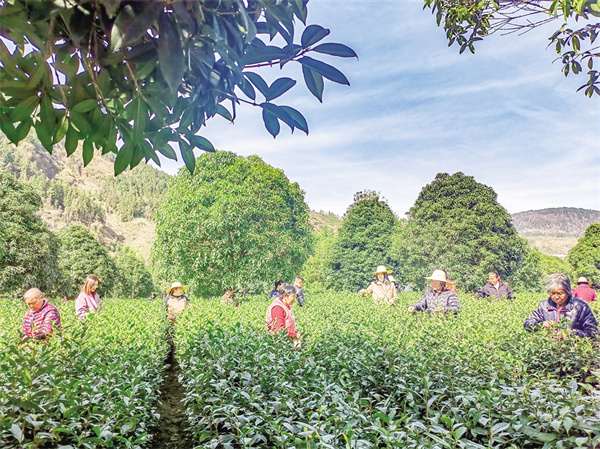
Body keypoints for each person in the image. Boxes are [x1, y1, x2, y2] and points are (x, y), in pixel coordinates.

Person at [524, 273, 597, 338]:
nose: (556, 297)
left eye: (560, 293)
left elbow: (592, 332)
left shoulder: (581, 307)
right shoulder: (544, 305)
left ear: (568, 292)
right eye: (552, 293)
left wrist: (570, 334)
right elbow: (527, 323)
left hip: (571, 348)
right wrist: (540, 324)